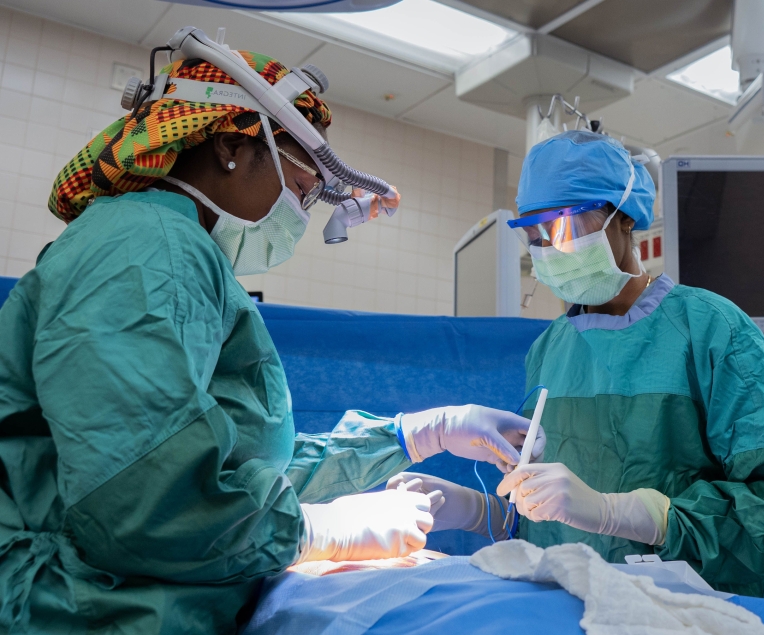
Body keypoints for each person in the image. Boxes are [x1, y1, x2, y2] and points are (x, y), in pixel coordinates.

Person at [0, 50, 539, 633]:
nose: (302, 212)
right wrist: (316, 532)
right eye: (301, 187)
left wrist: (414, 434)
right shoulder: (146, 249)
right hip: (72, 609)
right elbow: (142, 497)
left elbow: (235, 466)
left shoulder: (172, 249)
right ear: (231, 147)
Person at [392, 131, 764, 599]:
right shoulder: (551, 348)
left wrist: (629, 513)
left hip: (713, 609)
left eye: (563, 226)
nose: (547, 248)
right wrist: (486, 512)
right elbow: (560, 518)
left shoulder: (713, 330)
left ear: (624, 216)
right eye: (534, 233)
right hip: (588, 610)